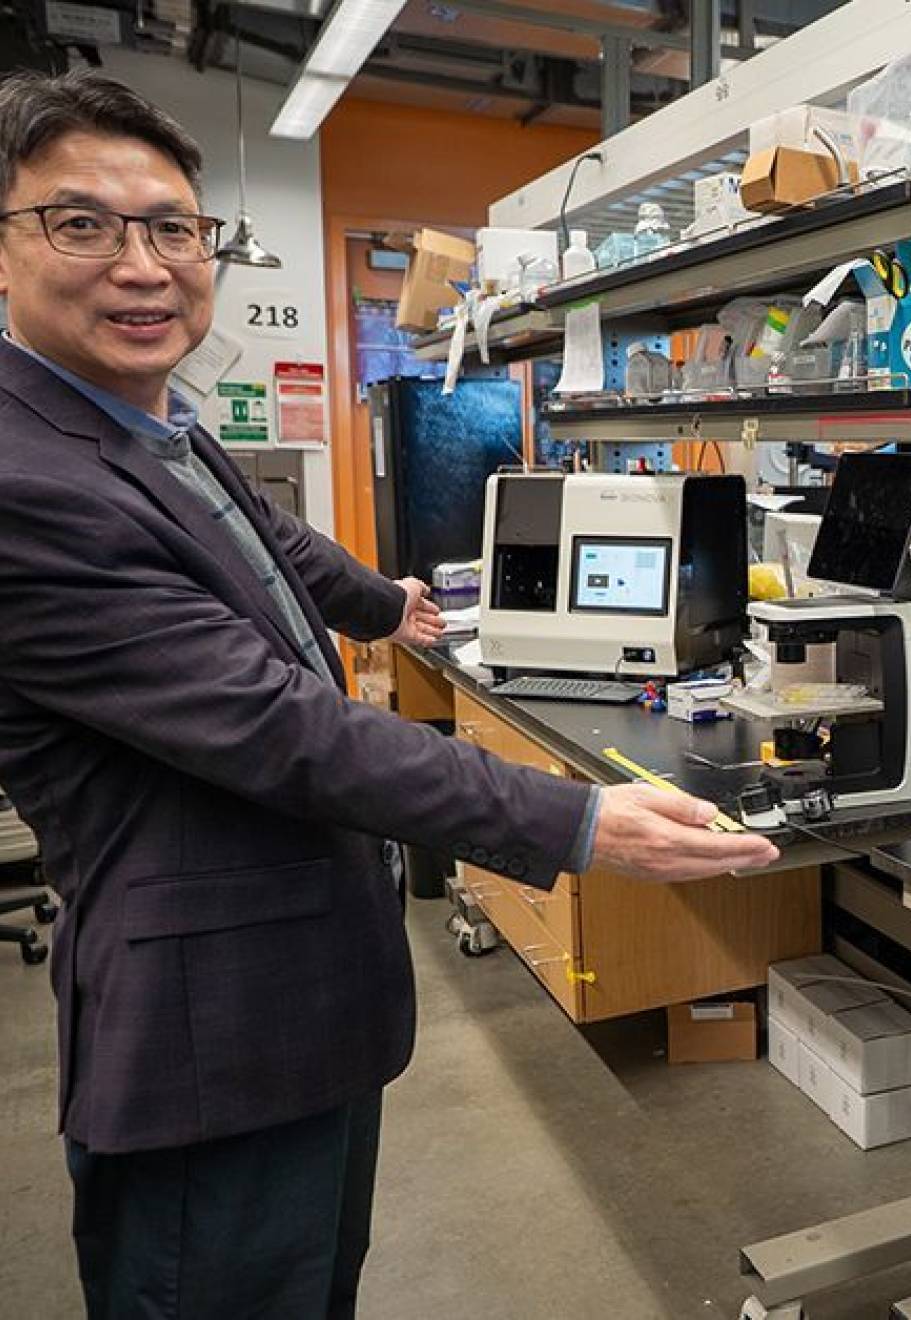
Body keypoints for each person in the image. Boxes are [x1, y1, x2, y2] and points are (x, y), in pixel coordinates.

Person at [0, 70, 779, 1319]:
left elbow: (267, 540)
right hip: (213, 1036)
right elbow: (280, 727)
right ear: (6, 249)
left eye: (171, 228)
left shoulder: (149, 421)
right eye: (79, 222)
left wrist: (389, 604)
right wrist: (575, 821)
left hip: (292, 1003)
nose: (140, 265)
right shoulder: (26, 478)